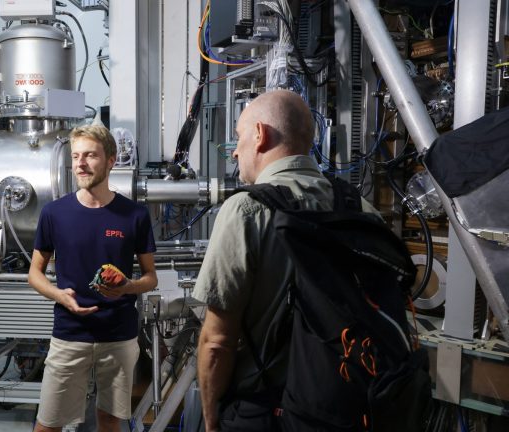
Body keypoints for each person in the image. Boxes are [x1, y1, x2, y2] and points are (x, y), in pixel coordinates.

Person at [193, 90, 377, 432]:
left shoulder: (246, 209)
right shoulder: (360, 208)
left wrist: (209, 417)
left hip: (265, 412)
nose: (235, 151)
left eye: (238, 137)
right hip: (348, 408)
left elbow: (217, 343)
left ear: (260, 135)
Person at [28, 124, 158, 432]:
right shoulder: (54, 213)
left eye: (90, 155)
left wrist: (128, 286)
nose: (81, 164)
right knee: (48, 424)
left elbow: (150, 277)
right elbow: (34, 273)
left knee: (110, 422)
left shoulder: (134, 215)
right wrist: (60, 296)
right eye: (75, 157)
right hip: (70, 333)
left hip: (118, 334)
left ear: (111, 160)